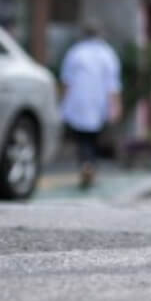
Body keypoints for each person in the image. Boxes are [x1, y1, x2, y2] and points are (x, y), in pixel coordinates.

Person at [59, 20, 122, 191]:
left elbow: (66, 81)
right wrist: (116, 105)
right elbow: (113, 85)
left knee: (82, 138)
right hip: (98, 102)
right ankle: (90, 165)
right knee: (93, 137)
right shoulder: (107, 54)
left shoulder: (75, 52)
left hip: (78, 101)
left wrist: (62, 102)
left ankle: (86, 165)